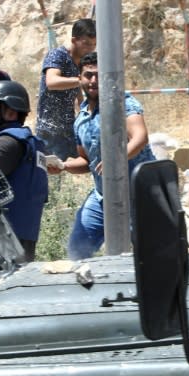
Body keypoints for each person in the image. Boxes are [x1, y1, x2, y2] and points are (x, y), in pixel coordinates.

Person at [49, 51, 155, 260]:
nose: (94, 81)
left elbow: (140, 137)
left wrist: (116, 160)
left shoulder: (122, 102)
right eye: (88, 75)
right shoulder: (81, 118)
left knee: (149, 257)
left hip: (137, 194)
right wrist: (63, 166)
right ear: (79, 78)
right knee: (78, 249)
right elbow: (86, 161)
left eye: (99, 75)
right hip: (102, 196)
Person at [0, 80, 48, 262]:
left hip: (3, 240)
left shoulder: (9, 142)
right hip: (19, 239)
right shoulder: (27, 140)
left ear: (10, 112)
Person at [36, 18, 97, 160]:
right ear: (74, 40)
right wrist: (81, 81)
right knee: (52, 174)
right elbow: (51, 81)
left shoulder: (81, 62)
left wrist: (85, 112)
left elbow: (77, 94)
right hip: (50, 129)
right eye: (86, 44)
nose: (90, 49)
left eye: (94, 44)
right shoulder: (58, 55)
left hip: (69, 128)